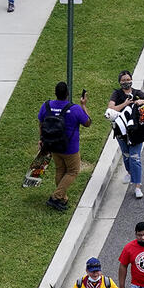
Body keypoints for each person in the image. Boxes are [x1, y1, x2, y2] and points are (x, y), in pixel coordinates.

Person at [38, 83, 92, 212]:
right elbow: (88, 122)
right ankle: (55, 197)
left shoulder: (46, 106)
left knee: (60, 170)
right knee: (73, 171)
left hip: (53, 145)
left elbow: (41, 123)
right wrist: (83, 105)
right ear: (67, 94)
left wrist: (42, 139)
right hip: (70, 148)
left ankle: (62, 198)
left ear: (55, 93)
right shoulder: (75, 109)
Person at [108, 71, 144, 199]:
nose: (126, 82)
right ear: (120, 82)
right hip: (121, 132)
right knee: (126, 155)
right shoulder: (117, 94)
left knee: (135, 157)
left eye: (128, 79)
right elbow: (110, 109)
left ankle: (137, 186)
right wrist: (125, 104)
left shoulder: (137, 93)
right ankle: (130, 173)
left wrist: (142, 101)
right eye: (123, 80)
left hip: (137, 131)